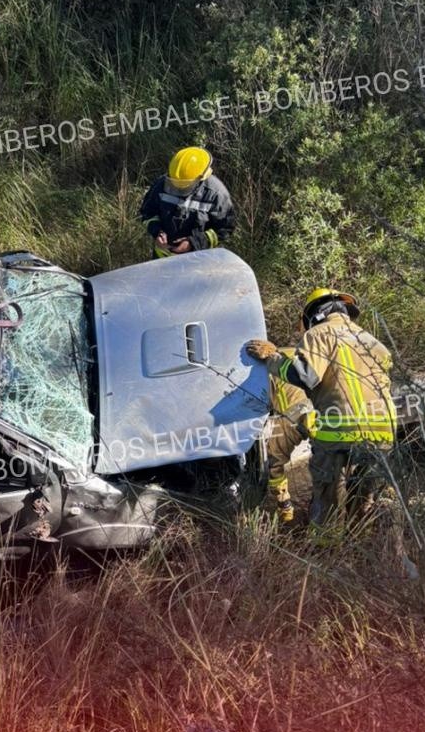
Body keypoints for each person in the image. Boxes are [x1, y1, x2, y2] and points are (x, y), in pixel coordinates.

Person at [247, 289, 396, 536]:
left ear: (315, 314)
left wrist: (273, 358)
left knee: (328, 503)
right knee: (364, 500)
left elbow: (305, 375)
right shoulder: (374, 343)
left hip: (339, 431)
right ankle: (364, 550)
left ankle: (326, 556)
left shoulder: (318, 334)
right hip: (383, 431)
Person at [140, 147, 236, 258]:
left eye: (184, 185)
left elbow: (226, 229)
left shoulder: (217, 194)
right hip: (162, 260)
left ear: (200, 178)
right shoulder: (161, 184)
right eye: (174, 182)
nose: (177, 188)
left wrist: (193, 243)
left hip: (198, 261)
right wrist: (157, 232)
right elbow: (147, 212)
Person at [266, 349, 314, 526]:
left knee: (274, 458)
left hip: (293, 414)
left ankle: (285, 509)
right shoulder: (301, 352)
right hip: (322, 408)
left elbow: (265, 400)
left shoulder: (266, 364)